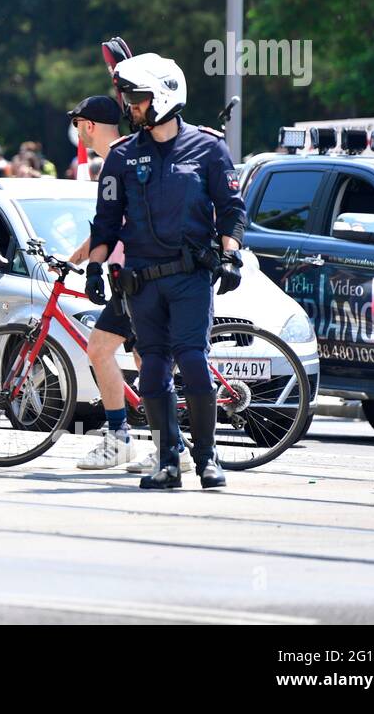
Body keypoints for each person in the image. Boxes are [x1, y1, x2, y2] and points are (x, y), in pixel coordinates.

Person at [88, 53, 246, 490]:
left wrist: (230, 255)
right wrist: (95, 269)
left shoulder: (209, 148)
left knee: (193, 361)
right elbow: (105, 221)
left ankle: (208, 458)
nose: (128, 107)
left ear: (162, 97)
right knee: (153, 371)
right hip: (140, 281)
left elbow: (232, 212)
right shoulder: (121, 157)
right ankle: (167, 462)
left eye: (135, 98)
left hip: (190, 277)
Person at [65, 95, 169, 471]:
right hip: (138, 273)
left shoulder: (117, 159)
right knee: (145, 358)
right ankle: (168, 445)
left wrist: (90, 259)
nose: (79, 135)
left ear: (89, 125)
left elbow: (116, 222)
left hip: (136, 276)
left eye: (79, 127)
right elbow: (110, 223)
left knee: (99, 349)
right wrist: (81, 255)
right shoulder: (133, 153)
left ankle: (120, 438)